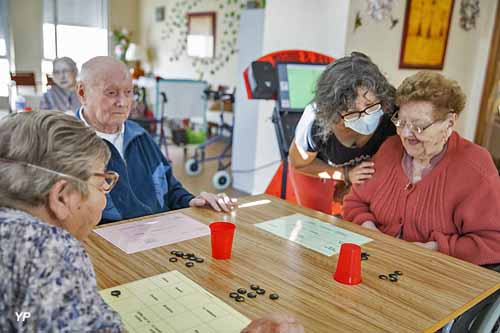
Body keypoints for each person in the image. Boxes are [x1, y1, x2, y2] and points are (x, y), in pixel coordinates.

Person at [0, 110, 303, 333]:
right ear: (63, 198)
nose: (107, 194)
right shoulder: (51, 251)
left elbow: (27, 318)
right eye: (104, 181)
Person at [343, 71, 500, 266]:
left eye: (418, 127)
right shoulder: (389, 149)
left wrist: (434, 249)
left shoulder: (475, 167)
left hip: (436, 277)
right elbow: (354, 203)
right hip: (378, 263)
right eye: (401, 122)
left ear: (450, 122)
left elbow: (493, 242)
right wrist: (372, 233)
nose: (406, 134)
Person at [75, 56, 235, 223]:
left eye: (129, 92)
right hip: (108, 243)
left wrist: (191, 201)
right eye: (111, 93)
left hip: (159, 233)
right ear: (82, 93)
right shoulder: (66, 144)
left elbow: (171, 188)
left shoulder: (140, 135)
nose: (122, 102)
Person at [289, 52, 397, 201]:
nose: (365, 117)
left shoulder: (392, 107)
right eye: (352, 112)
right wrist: (345, 174)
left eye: (370, 105)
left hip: (368, 175)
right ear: (333, 111)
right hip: (316, 169)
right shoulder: (316, 122)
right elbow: (299, 164)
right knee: (317, 219)